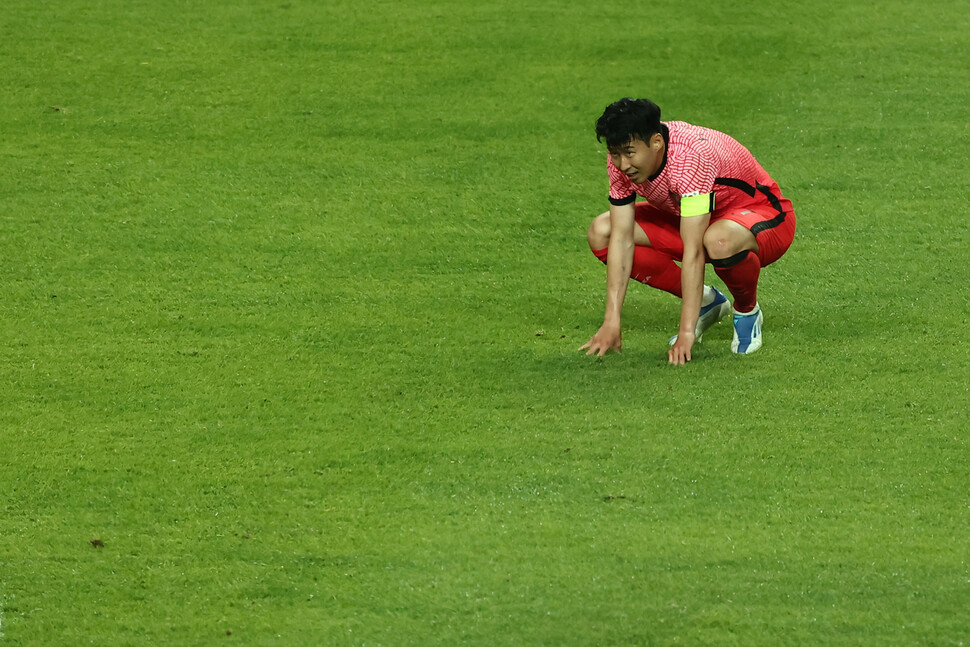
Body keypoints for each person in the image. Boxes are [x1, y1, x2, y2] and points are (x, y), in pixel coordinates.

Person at [580, 98, 796, 364]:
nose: (623, 164)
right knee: (604, 231)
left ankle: (747, 310)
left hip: (763, 215)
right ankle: (708, 302)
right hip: (690, 215)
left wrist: (685, 332)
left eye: (629, 152)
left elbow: (693, 251)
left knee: (718, 240)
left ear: (657, 142)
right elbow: (623, 237)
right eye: (615, 154)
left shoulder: (689, 158)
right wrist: (611, 321)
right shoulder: (621, 162)